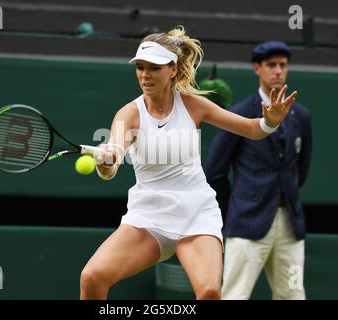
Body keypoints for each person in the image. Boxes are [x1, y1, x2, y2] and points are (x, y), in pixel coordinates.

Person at [80, 28, 297, 300]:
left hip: (196, 215)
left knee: (209, 292)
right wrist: (106, 161)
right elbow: (111, 166)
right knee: (92, 278)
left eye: (154, 68)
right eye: (141, 68)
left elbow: (253, 130)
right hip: (148, 219)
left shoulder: (194, 106)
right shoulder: (129, 114)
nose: (145, 75)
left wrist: (271, 121)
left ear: (172, 70)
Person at [204, 41, 312, 300]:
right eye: (271, 65)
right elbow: (214, 171)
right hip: (246, 222)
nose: (278, 71)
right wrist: (238, 207)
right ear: (257, 68)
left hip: (290, 224)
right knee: (234, 295)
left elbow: (302, 169)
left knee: (293, 294)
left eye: (283, 65)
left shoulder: (302, 116)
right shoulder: (240, 113)